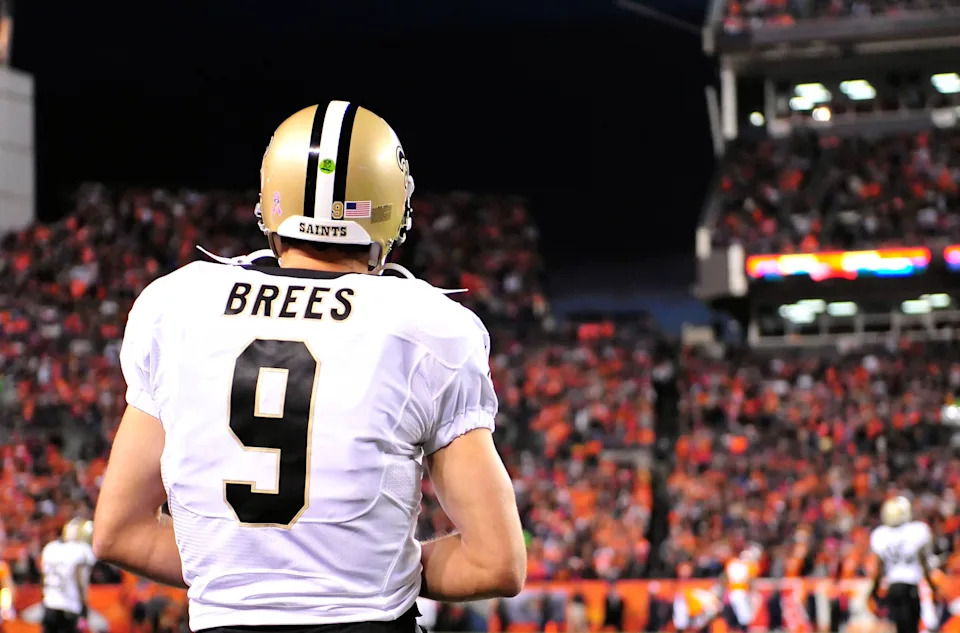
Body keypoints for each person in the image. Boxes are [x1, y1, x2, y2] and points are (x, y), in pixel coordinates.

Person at [92, 101, 526, 633]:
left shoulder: (177, 304)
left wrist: (247, 581)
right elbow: (494, 562)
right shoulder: (425, 324)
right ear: (392, 209)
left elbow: (120, 534)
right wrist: (361, 574)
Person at [869, 496, 940, 633]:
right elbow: (923, 562)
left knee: (900, 627)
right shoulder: (917, 530)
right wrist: (931, 584)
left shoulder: (880, 534)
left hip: (893, 587)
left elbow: (879, 567)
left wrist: (874, 589)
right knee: (912, 627)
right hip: (910, 585)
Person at [40, 518, 97, 633]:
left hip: (49, 604)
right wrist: (84, 609)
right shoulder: (80, 551)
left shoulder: (50, 548)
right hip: (69, 607)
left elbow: (43, 578)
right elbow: (81, 583)